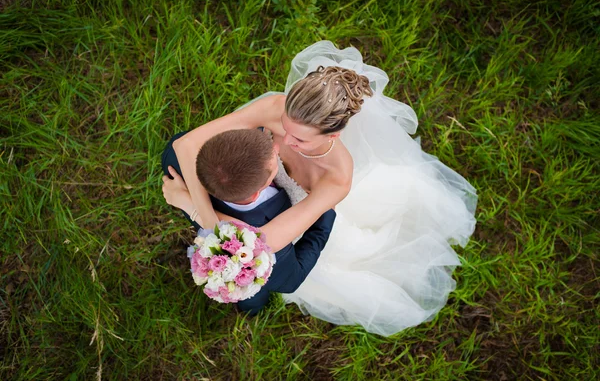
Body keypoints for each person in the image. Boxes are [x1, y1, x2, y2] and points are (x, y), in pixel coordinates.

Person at [164, 41, 477, 336]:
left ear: (333, 136)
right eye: (285, 128)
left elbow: (263, 244)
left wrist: (190, 204)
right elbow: (185, 143)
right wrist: (200, 208)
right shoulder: (276, 107)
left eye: (300, 140)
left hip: (288, 223)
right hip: (252, 191)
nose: (285, 142)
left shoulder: (336, 179)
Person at [162, 129, 336, 315]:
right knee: (249, 293)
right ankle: (250, 309)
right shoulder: (277, 256)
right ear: (256, 192)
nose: (276, 147)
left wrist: (190, 205)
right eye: (272, 158)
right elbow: (292, 280)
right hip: (243, 269)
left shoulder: (175, 158)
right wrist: (326, 211)